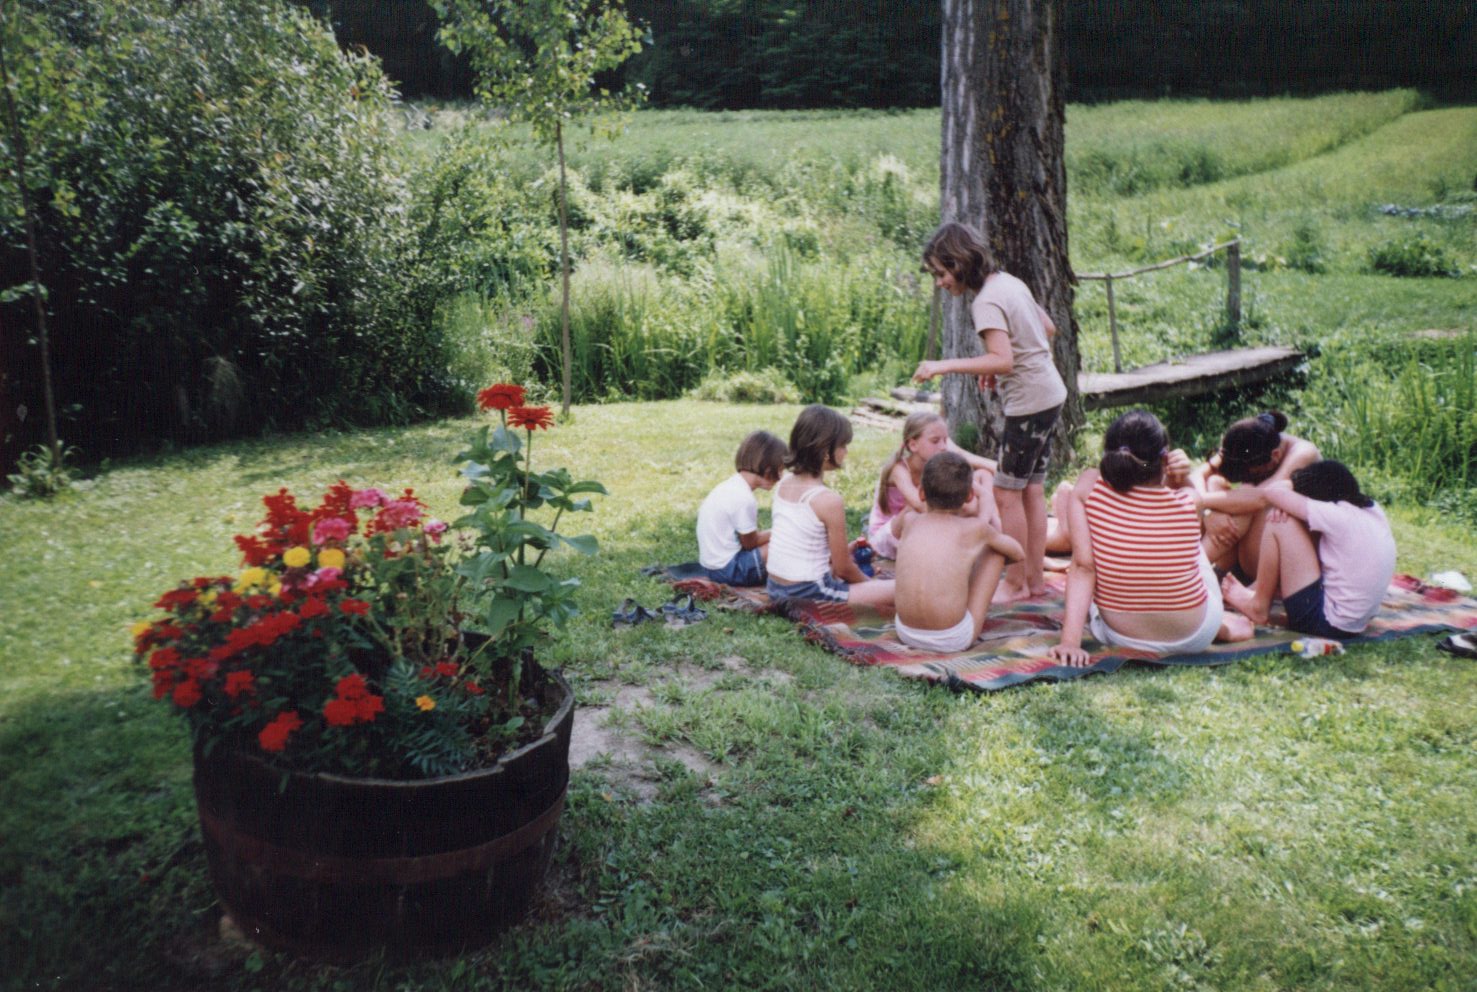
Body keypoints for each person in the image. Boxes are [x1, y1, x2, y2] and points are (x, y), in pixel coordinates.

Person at [912, 221, 1067, 602]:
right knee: (1031, 489)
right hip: (1050, 393)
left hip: (1029, 402)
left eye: (941, 273)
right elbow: (1047, 328)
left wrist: (942, 366)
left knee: (1006, 493)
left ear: (960, 264)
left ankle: (1015, 583)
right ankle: (1034, 581)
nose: (940, 282)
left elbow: (1003, 359)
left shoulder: (984, 302)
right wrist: (996, 365)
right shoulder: (1009, 282)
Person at [1048, 410, 1254, 667]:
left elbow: (1083, 567)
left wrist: (1070, 643)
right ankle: (1220, 624)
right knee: (1192, 551)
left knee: (1092, 564)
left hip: (1123, 637)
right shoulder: (1189, 500)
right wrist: (1183, 476)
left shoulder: (1089, 487)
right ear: (1165, 459)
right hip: (1195, 635)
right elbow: (1186, 495)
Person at [1220, 460, 1395, 638]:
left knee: (1279, 523)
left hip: (1326, 623)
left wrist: (1297, 482)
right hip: (1355, 622)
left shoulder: (1334, 515)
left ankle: (1258, 605)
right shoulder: (1372, 509)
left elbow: (1273, 492)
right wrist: (1288, 505)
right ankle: (1259, 590)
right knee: (1299, 521)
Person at [892, 451, 1023, 653]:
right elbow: (1018, 553)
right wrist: (985, 506)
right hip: (951, 638)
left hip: (905, 631)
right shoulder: (974, 529)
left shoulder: (910, 521)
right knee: (995, 551)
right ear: (970, 496)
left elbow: (895, 530)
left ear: (921, 493)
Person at [766, 405, 895, 608]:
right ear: (826, 451)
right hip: (808, 591)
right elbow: (843, 569)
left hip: (775, 587)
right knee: (900, 590)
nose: (846, 452)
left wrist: (843, 551)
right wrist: (870, 585)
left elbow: (803, 542)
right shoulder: (828, 500)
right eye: (843, 445)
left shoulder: (785, 482)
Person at [1191, 411, 1320, 579]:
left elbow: (1259, 498)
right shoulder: (1249, 438)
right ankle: (1206, 568)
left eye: (1251, 473)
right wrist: (1209, 513)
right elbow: (1197, 475)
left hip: (1292, 554)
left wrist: (1202, 502)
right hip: (1247, 551)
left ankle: (1192, 569)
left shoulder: (1303, 453)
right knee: (1214, 482)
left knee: (1245, 504)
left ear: (1275, 455)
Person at [866, 410, 998, 559]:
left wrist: (982, 523)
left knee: (983, 475)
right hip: (887, 538)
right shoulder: (898, 469)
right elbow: (919, 505)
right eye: (935, 441)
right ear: (913, 445)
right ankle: (973, 539)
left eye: (945, 440)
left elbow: (985, 494)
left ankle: (987, 537)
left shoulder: (939, 466)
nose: (943, 447)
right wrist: (966, 508)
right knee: (916, 509)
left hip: (922, 528)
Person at [696, 430, 787, 586]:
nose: (781, 477)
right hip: (728, 570)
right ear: (768, 470)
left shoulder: (730, 486)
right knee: (785, 545)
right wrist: (781, 531)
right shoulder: (744, 498)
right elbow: (750, 543)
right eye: (780, 470)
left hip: (711, 567)